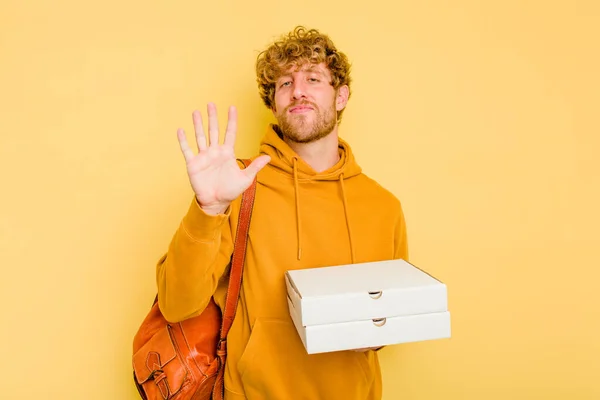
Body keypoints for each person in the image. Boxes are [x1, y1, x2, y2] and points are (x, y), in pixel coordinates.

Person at [157, 26, 408, 400]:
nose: (298, 91)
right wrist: (208, 209)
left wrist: (374, 335)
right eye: (285, 83)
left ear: (341, 97)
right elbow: (176, 305)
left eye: (312, 78)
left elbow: (392, 317)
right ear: (274, 103)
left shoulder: (383, 205)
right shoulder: (239, 186)